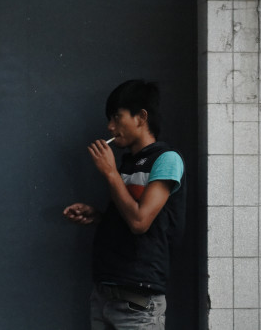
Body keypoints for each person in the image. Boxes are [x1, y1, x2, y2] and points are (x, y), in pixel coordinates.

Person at [63, 79, 186, 329]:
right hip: (104, 296)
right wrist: (98, 216)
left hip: (138, 303)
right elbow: (128, 212)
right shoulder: (128, 163)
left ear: (141, 117)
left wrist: (110, 174)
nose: (110, 127)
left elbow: (140, 222)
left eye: (117, 118)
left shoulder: (167, 159)